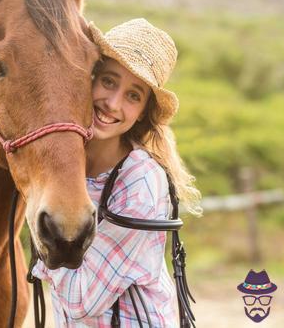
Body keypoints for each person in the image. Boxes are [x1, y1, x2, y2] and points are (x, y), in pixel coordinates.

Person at [32, 18, 202, 327]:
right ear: (90, 78)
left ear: (141, 114)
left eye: (133, 95)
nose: (112, 104)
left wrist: (44, 235)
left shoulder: (140, 182)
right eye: (109, 81)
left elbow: (81, 301)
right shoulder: (67, 166)